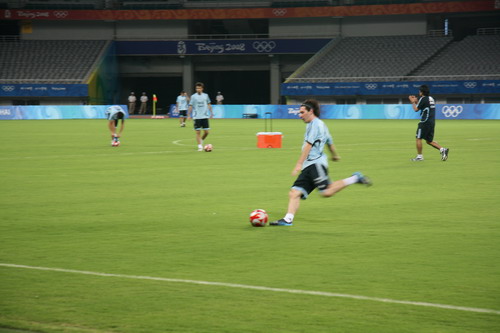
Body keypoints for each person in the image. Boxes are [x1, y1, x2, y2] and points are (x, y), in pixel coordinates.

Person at [270, 99, 372, 226]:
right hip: (309, 165)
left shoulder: (315, 125)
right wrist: (335, 156)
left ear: (310, 111)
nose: (299, 115)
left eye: (302, 112)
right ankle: (288, 219)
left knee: (326, 192)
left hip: (315, 164)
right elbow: (329, 142)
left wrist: (298, 164)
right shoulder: (320, 125)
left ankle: (355, 178)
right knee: (295, 192)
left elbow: (308, 145)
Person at [408, 85, 449, 161]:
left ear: (422, 92)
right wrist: (416, 101)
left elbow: (416, 109)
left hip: (424, 122)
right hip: (431, 122)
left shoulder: (423, 99)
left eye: (419, 91)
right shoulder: (431, 98)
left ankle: (419, 157)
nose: (419, 92)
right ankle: (443, 149)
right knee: (429, 141)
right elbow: (423, 104)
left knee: (418, 138)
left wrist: (412, 102)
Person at [188, 82, 213, 151]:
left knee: (206, 132)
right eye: (197, 88)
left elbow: (209, 104)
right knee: (198, 132)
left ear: (202, 89)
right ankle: (199, 146)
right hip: (197, 117)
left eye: (199, 88)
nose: (198, 89)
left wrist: (211, 113)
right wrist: (188, 115)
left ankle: (201, 141)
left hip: (204, 116)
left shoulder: (206, 96)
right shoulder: (193, 96)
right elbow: (190, 105)